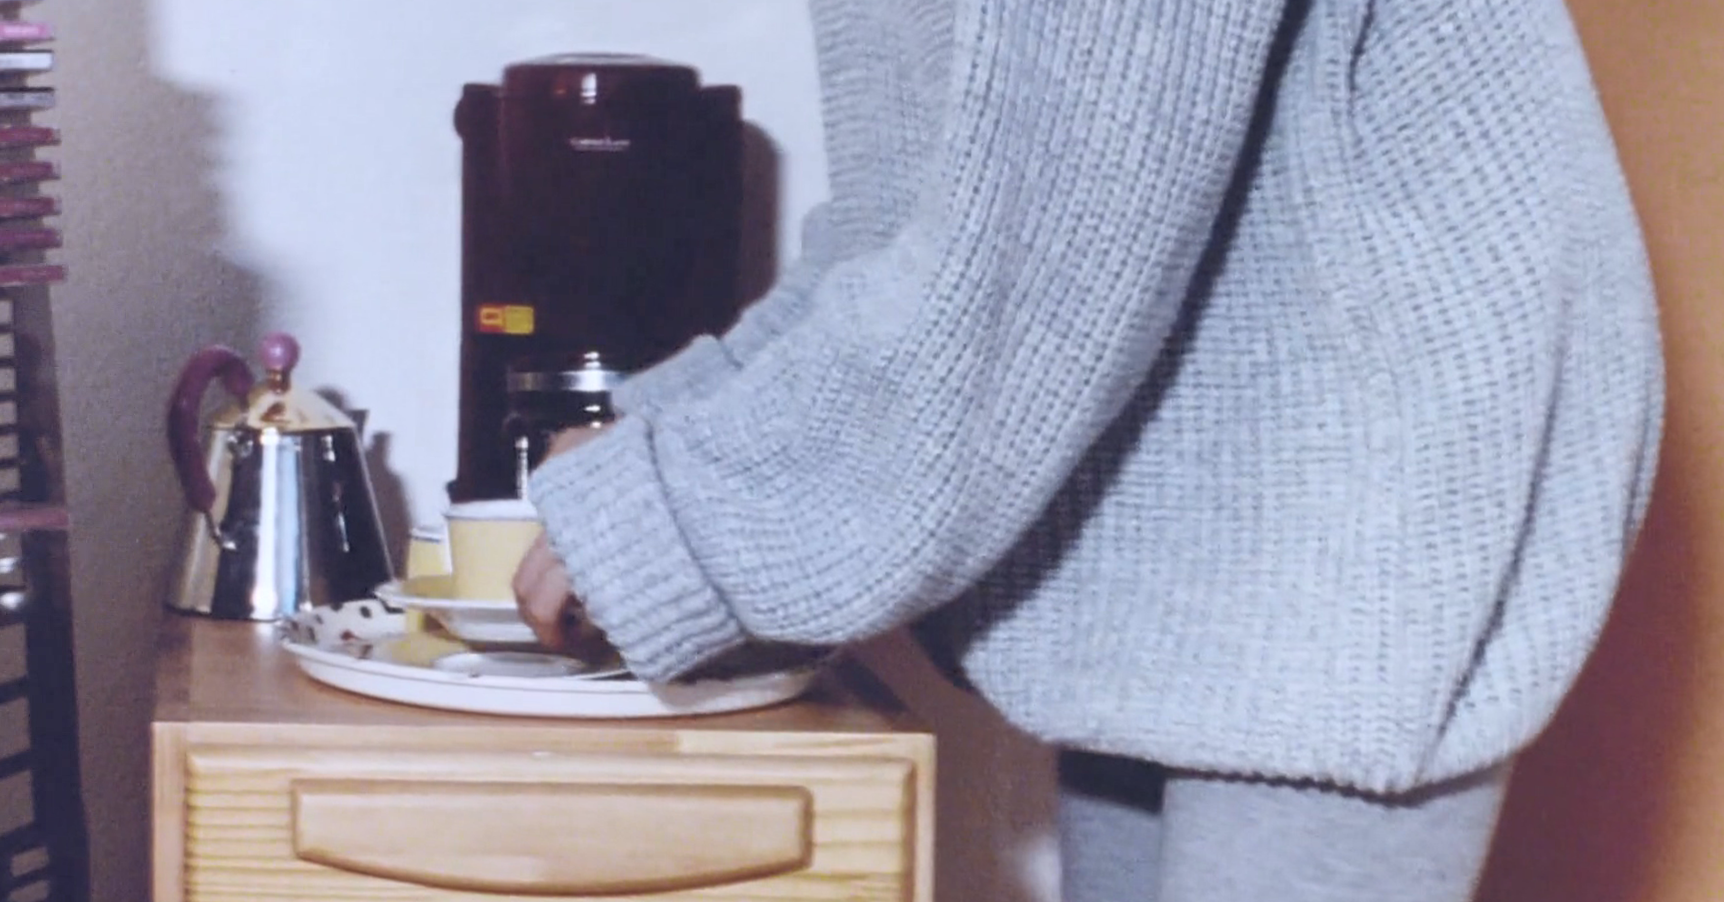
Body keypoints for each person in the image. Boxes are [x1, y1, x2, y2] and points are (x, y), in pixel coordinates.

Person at [505, 2, 1661, 901]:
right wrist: (661, 442)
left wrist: (674, 513)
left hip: (1351, 485)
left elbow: (1042, 245)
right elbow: (906, 221)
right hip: (1168, 475)